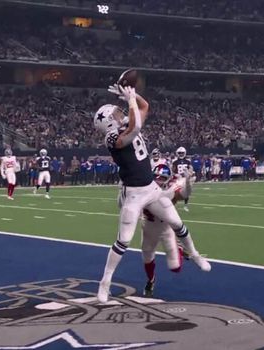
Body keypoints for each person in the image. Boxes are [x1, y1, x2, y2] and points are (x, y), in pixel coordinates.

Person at [94, 84, 210, 303]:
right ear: (108, 121)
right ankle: (105, 283)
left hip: (152, 189)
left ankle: (195, 255)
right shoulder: (111, 138)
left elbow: (145, 106)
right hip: (134, 194)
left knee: (177, 223)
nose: (120, 114)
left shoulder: (127, 123)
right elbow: (134, 129)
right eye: (116, 114)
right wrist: (129, 101)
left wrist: (133, 95)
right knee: (124, 241)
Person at [140, 164, 206, 297]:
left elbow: (184, 194)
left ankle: (180, 248)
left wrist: (187, 182)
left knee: (175, 267)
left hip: (166, 228)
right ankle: (151, 280)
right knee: (147, 258)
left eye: (162, 178)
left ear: (168, 179)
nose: (158, 180)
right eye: (156, 177)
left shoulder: (171, 189)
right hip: (148, 228)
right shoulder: (145, 187)